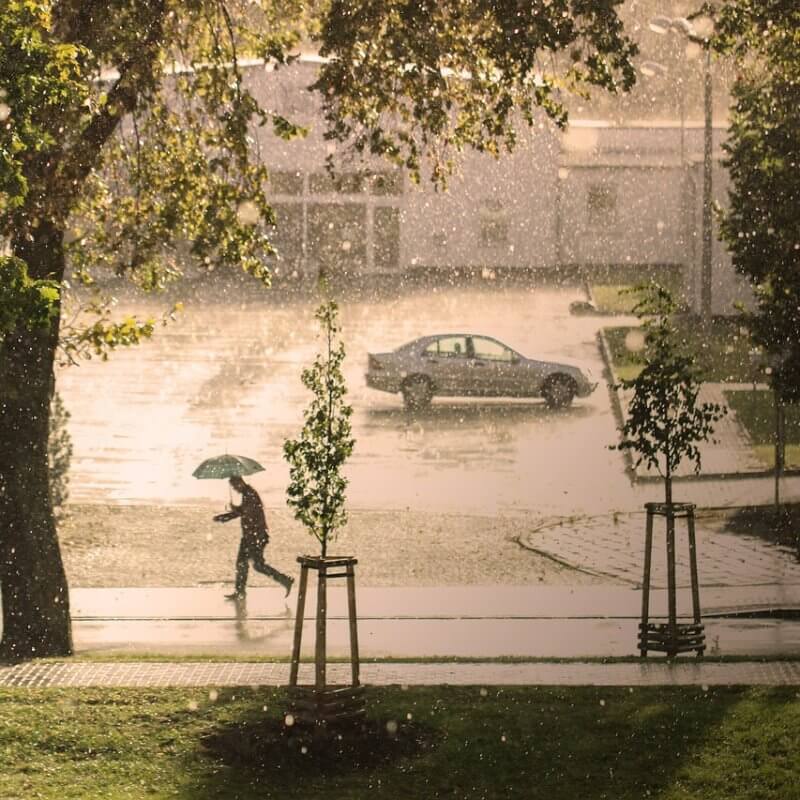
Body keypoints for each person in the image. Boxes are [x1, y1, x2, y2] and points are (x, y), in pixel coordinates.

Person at [214, 475, 294, 599]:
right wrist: (233, 511)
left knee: (256, 565)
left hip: (256, 535)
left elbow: (245, 512)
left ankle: (285, 580)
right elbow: (243, 511)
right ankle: (240, 591)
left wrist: (227, 516)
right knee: (242, 563)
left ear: (240, 482)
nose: (235, 489)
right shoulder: (248, 494)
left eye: (235, 486)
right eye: (233, 487)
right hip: (251, 536)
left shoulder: (250, 494)